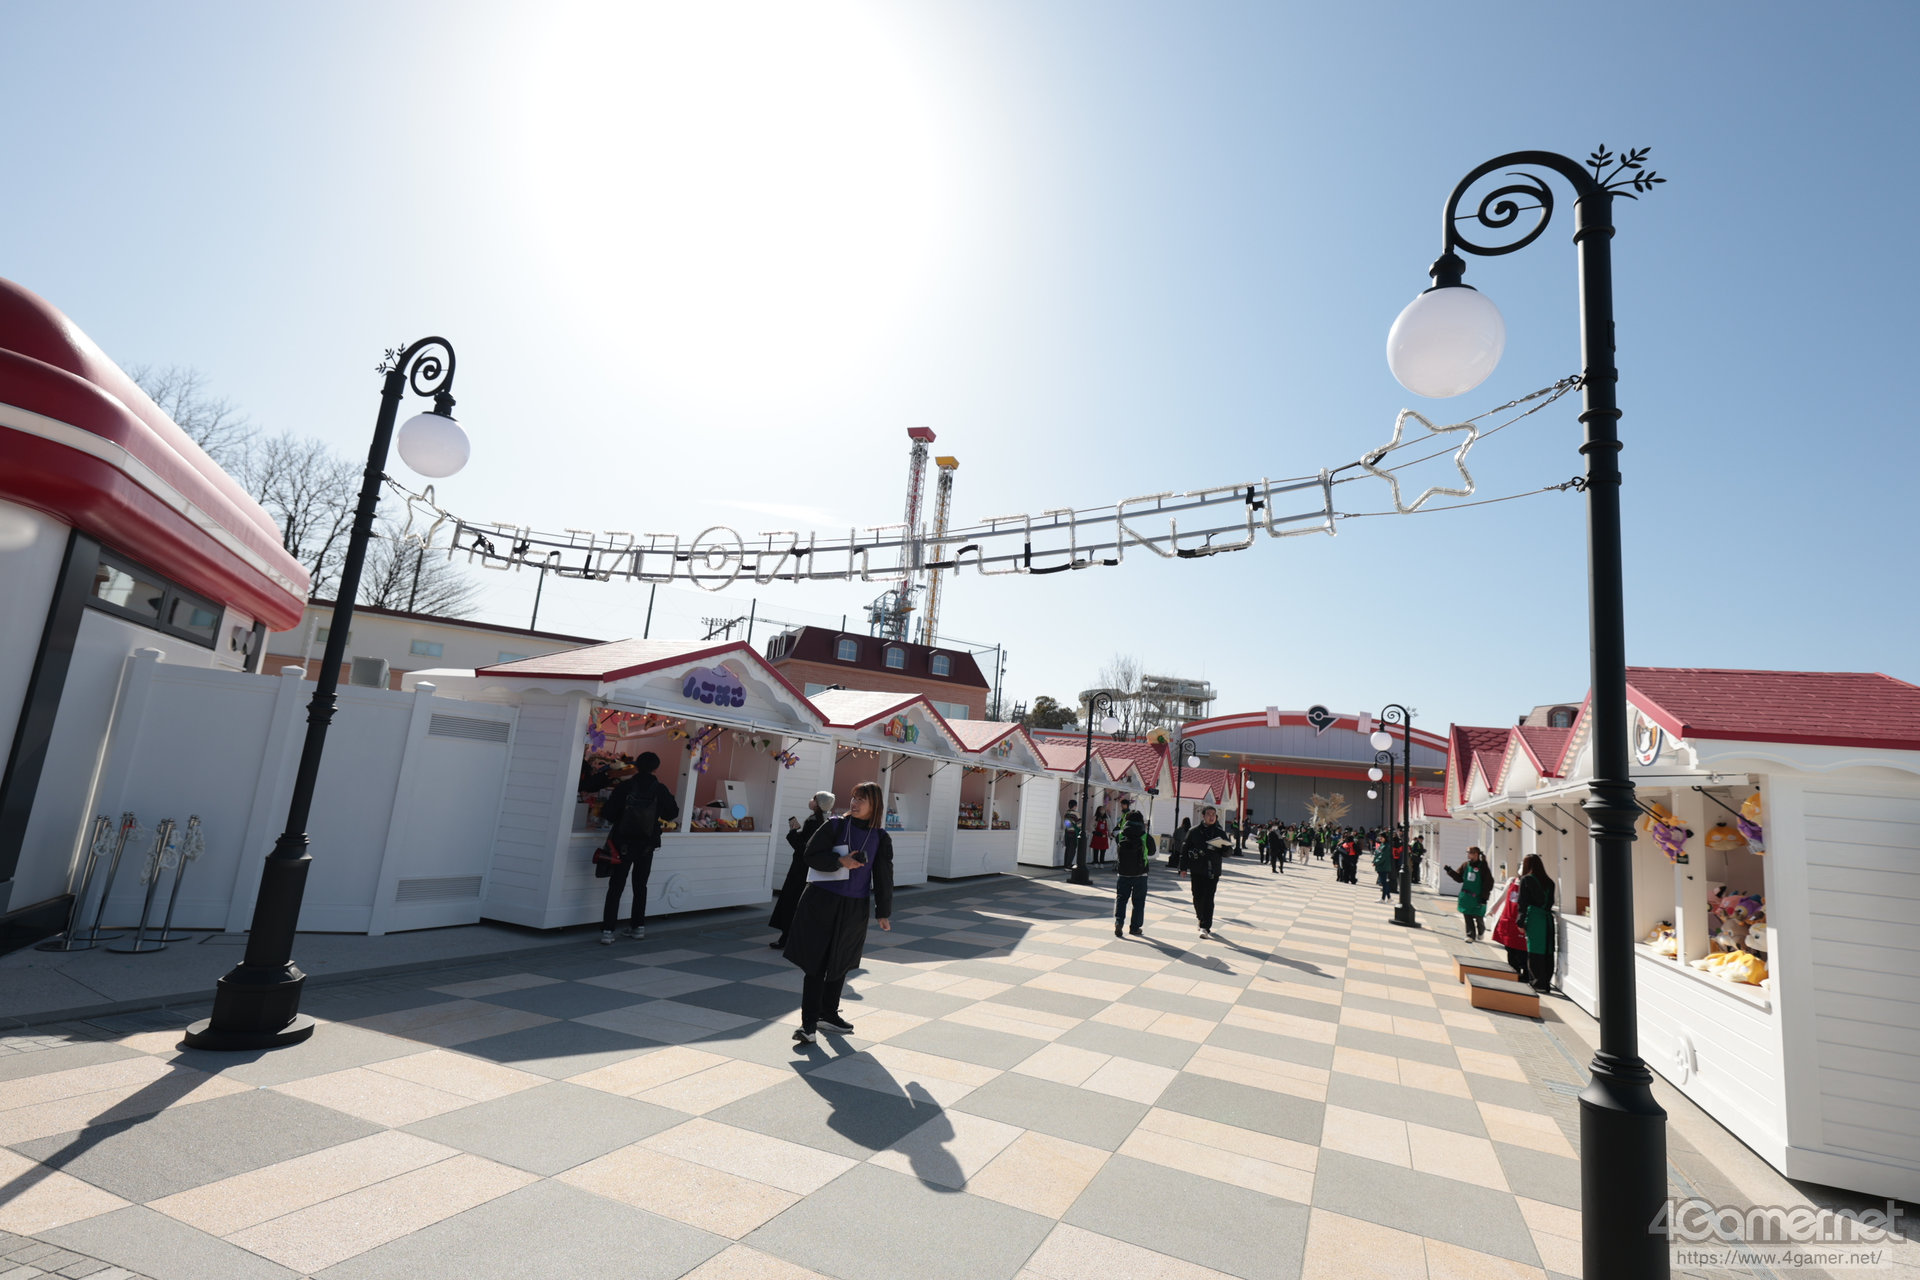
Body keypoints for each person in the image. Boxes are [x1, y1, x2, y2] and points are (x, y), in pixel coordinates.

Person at [784, 781, 893, 1043]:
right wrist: (839, 861)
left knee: (840, 961)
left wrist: (883, 911)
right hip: (821, 901)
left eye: (862, 799)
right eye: (854, 797)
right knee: (816, 963)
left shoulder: (880, 837)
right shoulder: (834, 826)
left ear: (875, 805)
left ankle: (829, 1015)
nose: (855, 803)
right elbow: (809, 855)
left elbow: (884, 875)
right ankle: (808, 1025)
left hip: (854, 906)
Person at [598, 752, 681, 944]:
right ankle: (638, 927)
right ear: (656, 768)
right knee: (640, 885)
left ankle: (608, 931)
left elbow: (608, 813)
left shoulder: (625, 787)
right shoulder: (660, 789)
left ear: (636, 766)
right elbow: (672, 813)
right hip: (647, 845)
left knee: (616, 886)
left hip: (623, 844)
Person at [769, 790, 834, 949]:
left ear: (818, 804)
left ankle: (785, 938)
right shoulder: (829, 821)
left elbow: (802, 847)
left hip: (800, 868)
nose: (811, 801)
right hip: (815, 869)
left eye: (814, 799)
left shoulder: (813, 821)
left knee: (791, 901)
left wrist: (792, 832)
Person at [1185, 806, 1230, 938]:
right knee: (1197, 896)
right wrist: (1182, 868)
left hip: (1213, 870)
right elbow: (1185, 849)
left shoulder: (1220, 833)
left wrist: (1225, 849)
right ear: (1203, 816)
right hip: (1197, 869)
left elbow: (1228, 852)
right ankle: (1200, 917)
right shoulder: (1194, 831)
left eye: (1213, 814)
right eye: (1209, 814)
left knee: (1209, 898)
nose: (1211, 817)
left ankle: (1205, 926)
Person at [1517, 853, 1557, 992]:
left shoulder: (1526, 880)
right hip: (1547, 919)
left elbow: (1522, 902)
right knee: (1547, 950)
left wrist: (1520, 922)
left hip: (1534, 917)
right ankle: (1546, 982)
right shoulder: (1550, 882)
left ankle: (1537, 982)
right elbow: (1551, 902)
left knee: (1534, 950)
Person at [1112, 809, 1152, 937]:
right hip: (1141, 874)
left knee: (1121, 899)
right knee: (1138, 902)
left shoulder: (1120, 836)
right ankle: (1135, 928)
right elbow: (1152, 851)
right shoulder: (1145, 836)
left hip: (1123, 873)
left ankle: (1119, 922)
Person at [1443, 846, 1494, 940]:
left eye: (1469, 853)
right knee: (1467, 915)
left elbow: (1488, 882)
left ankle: (1481, 930)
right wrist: (1450, 871)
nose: (1467, 855)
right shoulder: (1465, 865)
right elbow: (1459, 878)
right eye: (1467, 852)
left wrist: (1484, 897)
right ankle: (1470, 935)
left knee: (1478, 916)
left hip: (1478, 897)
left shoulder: (1483, 866)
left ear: (1476, 854)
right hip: (1466, 896)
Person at [1372, 837, 1395, 901]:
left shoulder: (1386, 846)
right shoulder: (1382, 845)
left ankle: (1383, 898)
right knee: (1384, 882)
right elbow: (1378, 853)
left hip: (1383, 866)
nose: (1380, 839)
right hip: (1381, 866)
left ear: (1385, 838)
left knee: (1384, 882)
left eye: (1382, 837)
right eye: (1380, 837)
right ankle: (1389, 898)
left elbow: (1382, 856)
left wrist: (1376, 862)